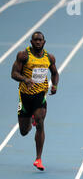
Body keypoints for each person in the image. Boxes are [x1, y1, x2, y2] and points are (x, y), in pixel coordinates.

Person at [11, 31, 59, 171]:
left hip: (40, 95)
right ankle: (30, 119)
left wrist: (54, 85)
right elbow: (13, 73)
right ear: (31, 42)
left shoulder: (49, 58)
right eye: (35, 40)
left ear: (44, 42)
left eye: (40, 40)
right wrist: (25, 79)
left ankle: (38, 159)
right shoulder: (23, 55)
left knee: (40, 121)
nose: (38, 42)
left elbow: (55, 73)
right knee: (24, 131)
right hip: (25, 96)